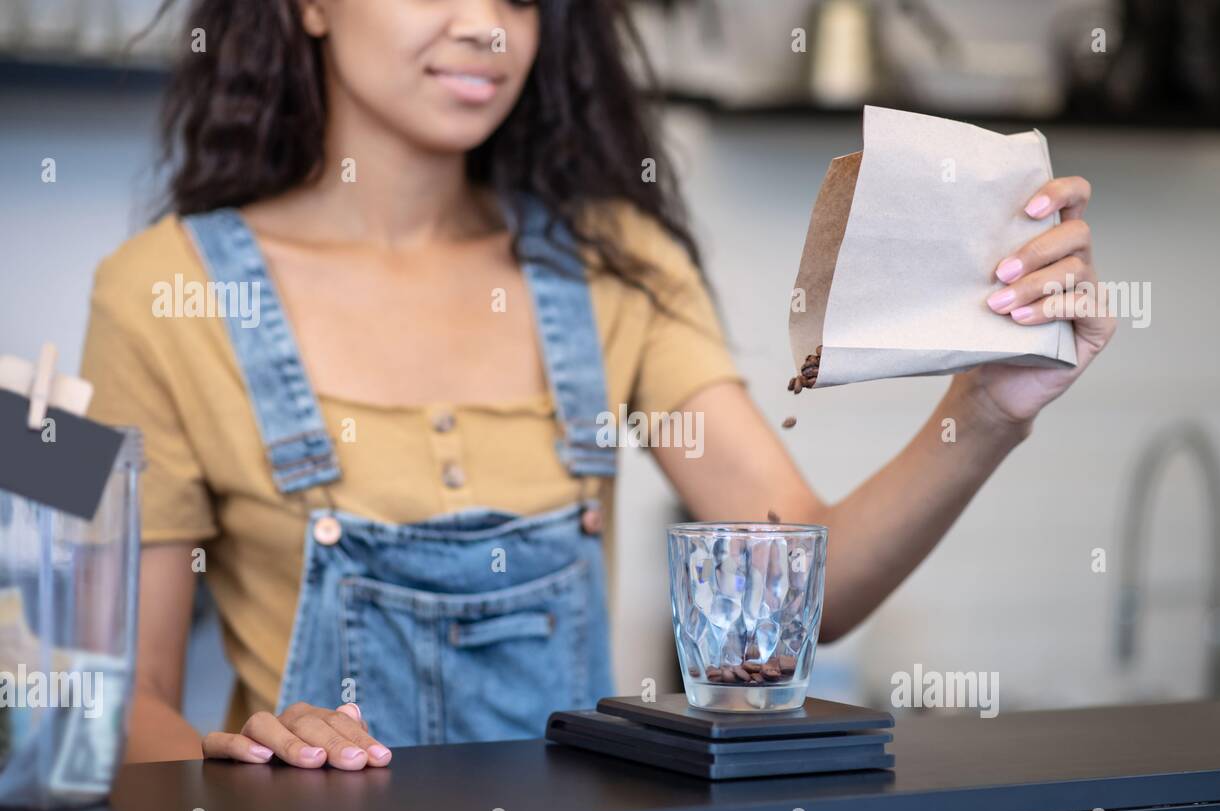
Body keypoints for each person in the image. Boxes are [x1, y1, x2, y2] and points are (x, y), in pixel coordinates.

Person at [81, 0, 1111, 770]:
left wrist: (983, 407)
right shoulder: (157, 295)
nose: (487, 27)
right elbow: (131, 701)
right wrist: (255, 759)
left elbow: (807, 589)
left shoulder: (616, 263)